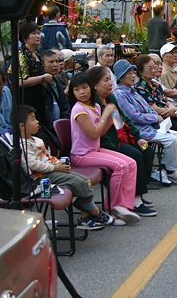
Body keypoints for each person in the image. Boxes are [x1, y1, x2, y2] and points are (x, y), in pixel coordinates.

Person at [17, 104, 113, 230]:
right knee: (77, 182)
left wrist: (58, 163)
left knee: (85, 180)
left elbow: (47, 157)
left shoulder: (37, 140)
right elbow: (33, 164)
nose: (37, 122)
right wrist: (55, 168)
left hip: (52, 169)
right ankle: (94, 211)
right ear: (22, 126)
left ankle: (85, 212)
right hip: (41, 176)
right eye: (33, 119)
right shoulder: (22, 144)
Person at [68, 72, 140, 225]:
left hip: (95, 150)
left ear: (91, 87)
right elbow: (94, 134)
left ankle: (123, 205)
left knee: (131, 163)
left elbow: (102, 131)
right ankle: (110, 209)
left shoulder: (94, 106)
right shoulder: (79, 109)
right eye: (76, 89)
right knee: (120, 166)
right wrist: (105, 115)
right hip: (81, 155)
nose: (81, 92)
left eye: (84, 87)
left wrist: (109, 117)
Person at [87, 65, 158, 215]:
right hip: (107, 144)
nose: (110, 83)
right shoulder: (93, 103)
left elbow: (123, 120)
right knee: (135, 155)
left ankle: (138, 194)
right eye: (106, 80)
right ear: (95, 85)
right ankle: (135, 201)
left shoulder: (110, 97)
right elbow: (100, 134)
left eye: (110, 79)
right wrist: (116, 148)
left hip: (122, 137)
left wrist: (138, 138)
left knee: (146, 151)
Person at [111, 59, 177, 185]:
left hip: (151, 126)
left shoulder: (132, 91)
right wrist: (156, 118)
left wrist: (157, 116)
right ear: (120, 77)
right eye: (128, 73)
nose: (132, 75)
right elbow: (134, 116)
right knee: (171, 140)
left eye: (133, 72)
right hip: (140, 129)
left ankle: (165, 169)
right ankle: (169, 170)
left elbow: (148, 108)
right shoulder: (120, 94)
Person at [10, 18, 52, 131]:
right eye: (33, 33)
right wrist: (42, 78)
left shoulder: (37, 54)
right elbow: (19, 81)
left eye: (38, 33)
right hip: (27, 99)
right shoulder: (22, 55)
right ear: (25, 37)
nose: (37, 36)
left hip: (40, 97)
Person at [42, 50, 69, 135]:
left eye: (57, 61)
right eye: (51, 62)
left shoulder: (56, 82)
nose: (56, 65)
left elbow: (65, 106)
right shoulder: (41, 86)